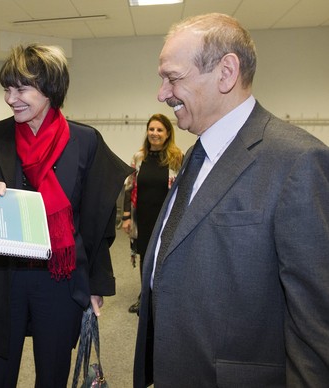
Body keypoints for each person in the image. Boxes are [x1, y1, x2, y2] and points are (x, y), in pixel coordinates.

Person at [133, 13, 329, 387]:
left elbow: (317, 328)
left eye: (173, 78)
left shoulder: (298, 161)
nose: (161, 93)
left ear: (226, 72)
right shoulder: (196, 153)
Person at [0, 43, 132, 387]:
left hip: (59, 278)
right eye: (7, 89)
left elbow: (97, 223)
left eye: (21, 88)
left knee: (53, 375)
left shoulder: (85, 141)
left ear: (50, 88)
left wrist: (96, 284)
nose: (11, 98)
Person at [122, 114, 182, 314]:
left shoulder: (176, 158)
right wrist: (126, 217)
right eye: (151, 129)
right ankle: (145, 298)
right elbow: (129, 187)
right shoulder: (139, 158)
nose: (154, 133)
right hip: (144, 217)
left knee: (163, 257)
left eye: (159, 130)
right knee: (145, 257)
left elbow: (183, 190)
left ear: (167, 134)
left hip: (166, 218)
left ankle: (162, 297)